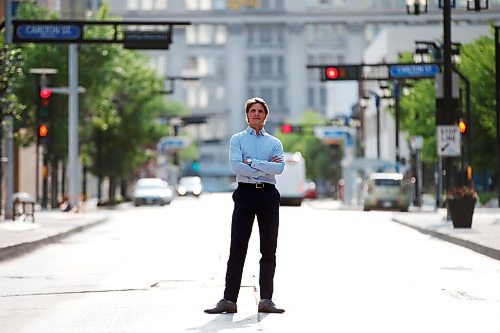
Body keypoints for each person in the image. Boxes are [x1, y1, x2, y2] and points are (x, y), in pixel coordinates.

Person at [204, 97, 286, 314]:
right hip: (245, 195)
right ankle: (229, 300)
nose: (257, 114)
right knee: (237, 248)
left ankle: (266, 300)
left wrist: (251, 163)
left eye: (260, 111)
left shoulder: (274, 143)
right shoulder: (237, 140)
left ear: (265, 116)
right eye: (253, 111)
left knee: (269, 249)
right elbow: (236, 166)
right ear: (247, 115)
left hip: (268, 195)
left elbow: (279, 169)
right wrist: (265, 167)